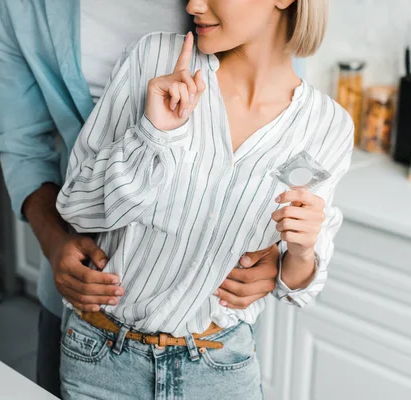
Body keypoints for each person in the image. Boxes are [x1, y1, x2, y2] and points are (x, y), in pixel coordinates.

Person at [0, 1, 300, 397]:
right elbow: (20, 142)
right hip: (85, 309)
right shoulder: (24, 6)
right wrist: (53, 240)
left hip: (208, 329)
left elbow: (279, 130)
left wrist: (273, 249)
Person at [56, 0, 352, 398]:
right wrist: (153, 136)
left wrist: (299, 253)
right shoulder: (155, 59)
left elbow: (300, 286)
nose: (193, 4)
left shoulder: (327, 126)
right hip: (102, 361)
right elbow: (78, 208)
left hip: (218, 371)